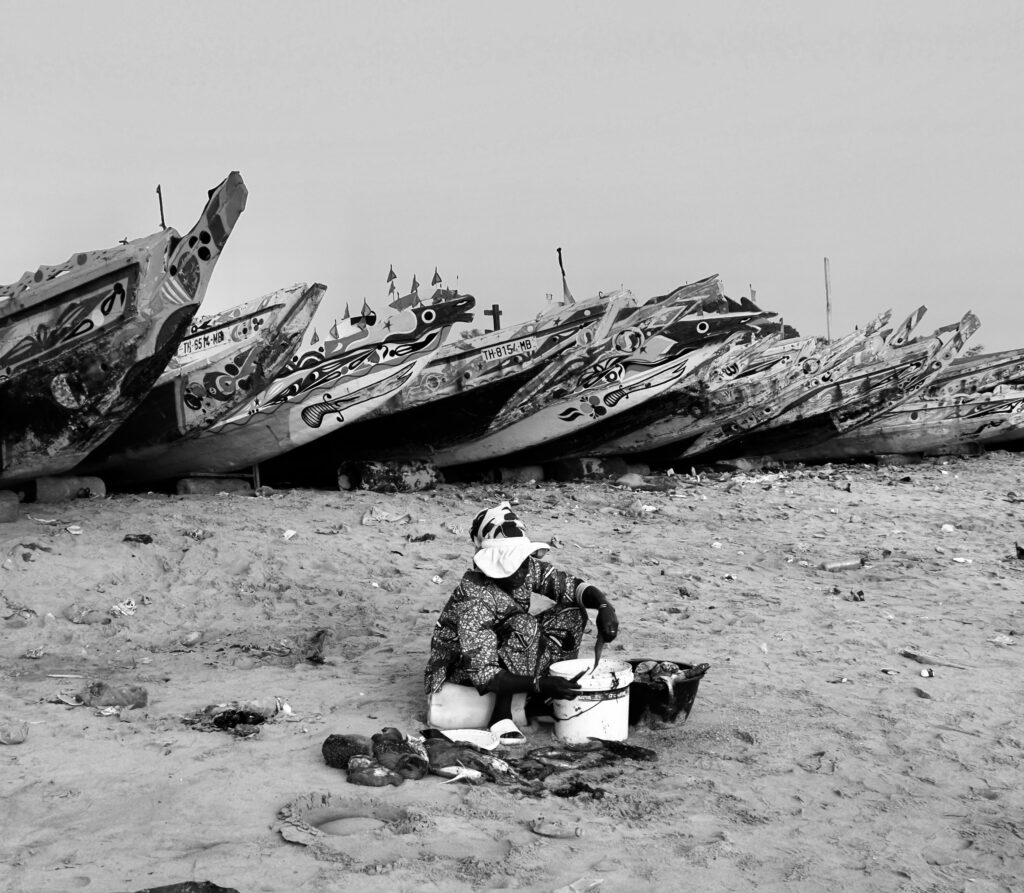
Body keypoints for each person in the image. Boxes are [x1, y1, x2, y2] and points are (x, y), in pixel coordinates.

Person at [424, 501, 620, 745]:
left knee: (573, 611)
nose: (521, 571)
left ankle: (552, 693)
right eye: (513, 564)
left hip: (509, 650)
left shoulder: (525, 568)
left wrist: (604, 606)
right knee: (523, 624)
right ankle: (501, 715)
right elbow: (485, 673)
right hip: (462, 670)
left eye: (523, 562)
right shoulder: (474, 598)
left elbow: (570, 586)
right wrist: (539, 683)